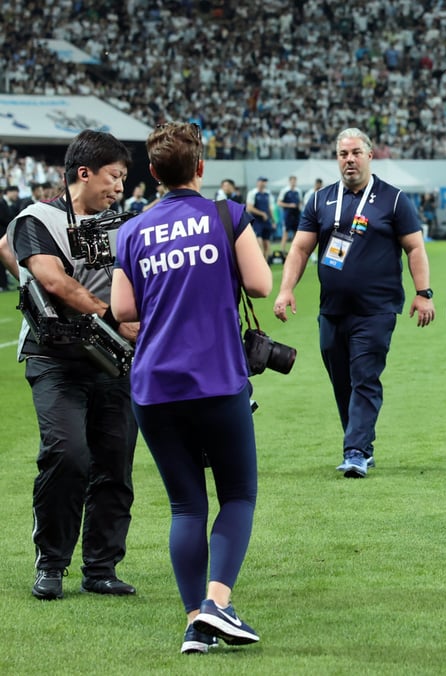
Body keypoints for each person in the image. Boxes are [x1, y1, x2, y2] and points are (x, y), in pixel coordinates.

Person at [110, 121, 271, 654]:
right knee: (239, 494)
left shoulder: (132, 230)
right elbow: (259, 284)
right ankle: (219, 604)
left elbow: (122, 310)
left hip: (154, 384)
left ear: (152, 173)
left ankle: (195, 624)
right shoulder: (225, 214)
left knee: (185, 507)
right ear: (201, 168)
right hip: (217, 377)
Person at [0, 130, 139, 600]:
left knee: (115, 464)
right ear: (85, 173)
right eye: (115, 177)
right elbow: (54, 281)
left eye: (123, 179)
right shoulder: (37, 219)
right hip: (55, 358)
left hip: (115, 363)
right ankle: (52, 563)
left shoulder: (125, 224)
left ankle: (101, 567)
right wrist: (113, 317)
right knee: (67, 454)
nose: (120, 187)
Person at [272, 128, 435, 477]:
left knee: (364, 377)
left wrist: (423, 293)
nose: (349, 159)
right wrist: (286, 289)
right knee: (342, 381)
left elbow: (415, 248)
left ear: (370, 155)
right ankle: (360, 441)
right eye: (343, 154)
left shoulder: (393, 199)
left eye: (356, 153)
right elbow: (300, 249)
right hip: (331, 310)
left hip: (375, 311)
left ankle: (356, 451)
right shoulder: (319, 200)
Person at [246, 176, 275, 260]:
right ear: (258, 182)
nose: (263, 183)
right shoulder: (253, 193)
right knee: (259, 242)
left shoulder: (267, 194)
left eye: (265, 181)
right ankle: (260, 261)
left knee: (266, 242)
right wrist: (262, 213)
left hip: (266, 221)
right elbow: (250, 208)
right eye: (262, 181)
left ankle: (266, 261)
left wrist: (273, 220)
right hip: (257, 221)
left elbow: (270, 208)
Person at [277, 175, 302, 253]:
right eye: (292, 180)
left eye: (295, 181)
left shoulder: (298, 191)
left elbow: (300, 201)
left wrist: (300, 206)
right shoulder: (285, 191)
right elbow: (279, 203)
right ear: (290, 181)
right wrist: (289, 205)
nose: (293, 182)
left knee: (296, 232)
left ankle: (294, 250)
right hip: (288, 215)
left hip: (296, 214)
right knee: (286, 232)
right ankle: (282, 250)